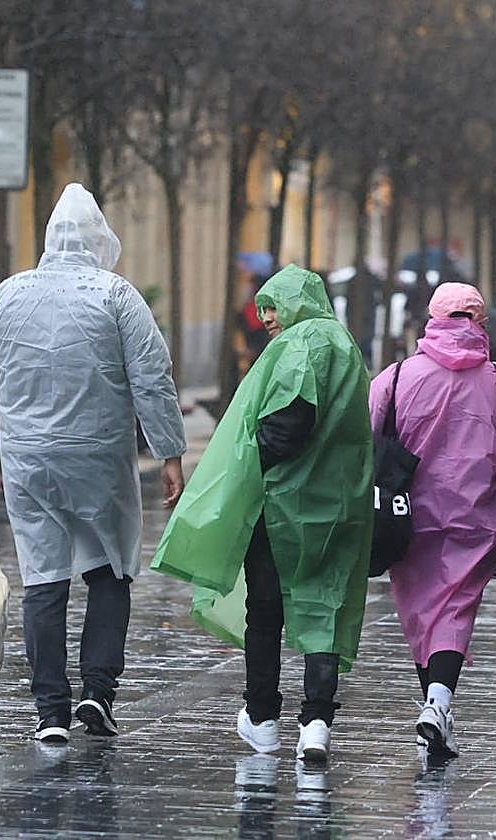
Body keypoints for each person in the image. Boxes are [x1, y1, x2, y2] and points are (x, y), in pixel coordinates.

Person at [0, 183, 187, 745]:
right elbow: (152, 379)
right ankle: (98, 691)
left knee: (44, 578)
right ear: (96, 240)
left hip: (28, 458)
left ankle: (49, 710)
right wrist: (169, 453)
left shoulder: (7, 296)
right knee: (111, 569)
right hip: (99, 459)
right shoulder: (116, 296)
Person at [151, 264, 373, 765]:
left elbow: (287, 423)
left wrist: (249, 467)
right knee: (326, 610)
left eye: (275, 305)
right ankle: (316, 723)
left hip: (283, 508)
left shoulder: (301, 346)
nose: (267, 316)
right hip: (337, 507)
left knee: (266, 611)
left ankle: (263, 717)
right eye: (263, 306)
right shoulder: (345, 346)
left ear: (300, 302)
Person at [369, 282, 496, 759]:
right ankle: (437, 704)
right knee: (454, 610)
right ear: (482, 323)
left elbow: (363, 435)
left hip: (406, 515)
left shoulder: (395, 378)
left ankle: (434, 706)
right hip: (477, 514)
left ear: (430, 319)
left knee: (420, 613)